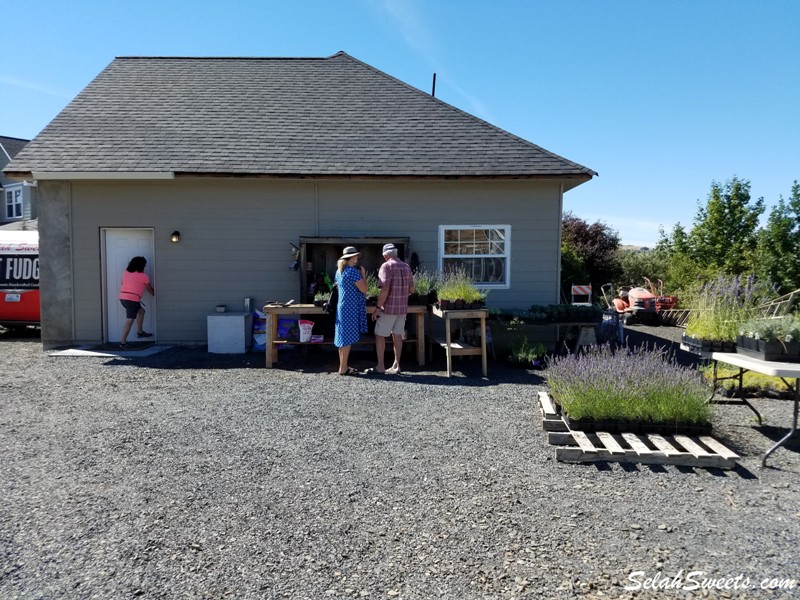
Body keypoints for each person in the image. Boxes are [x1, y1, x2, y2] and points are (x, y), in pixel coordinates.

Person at [371, 243, 413, 374]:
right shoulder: (406, 266)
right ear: (396, 253)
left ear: (385, 255)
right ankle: (397, 365)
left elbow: (384, 289)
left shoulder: (386, 266)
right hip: (402, 309)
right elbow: (412, 289)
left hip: (388, 309)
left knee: (379, 335)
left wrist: (377, 307)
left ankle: (381, 366)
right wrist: (402, 294)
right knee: (398, 335)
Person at [334, 246, 368, 375]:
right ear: (351, 258)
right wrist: (363, 275)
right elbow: (364, 289)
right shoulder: (353, 272)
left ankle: (343, 366)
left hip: (342, 306)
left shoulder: (339, 271)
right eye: (355, 257)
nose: (357, 259)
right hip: (351, 307)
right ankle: (343, 368)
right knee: (347, 339)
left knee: (342, 337)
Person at [118, 256, 155, 348]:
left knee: (141, 311)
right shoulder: (143, 276)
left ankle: (140, 332)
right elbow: (150, 289)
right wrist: (157, 295)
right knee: (130, 320)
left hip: (123, 297)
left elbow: (122, 283)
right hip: (132, 300)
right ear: (141, 265)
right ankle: (123, 343)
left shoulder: (125, 272)